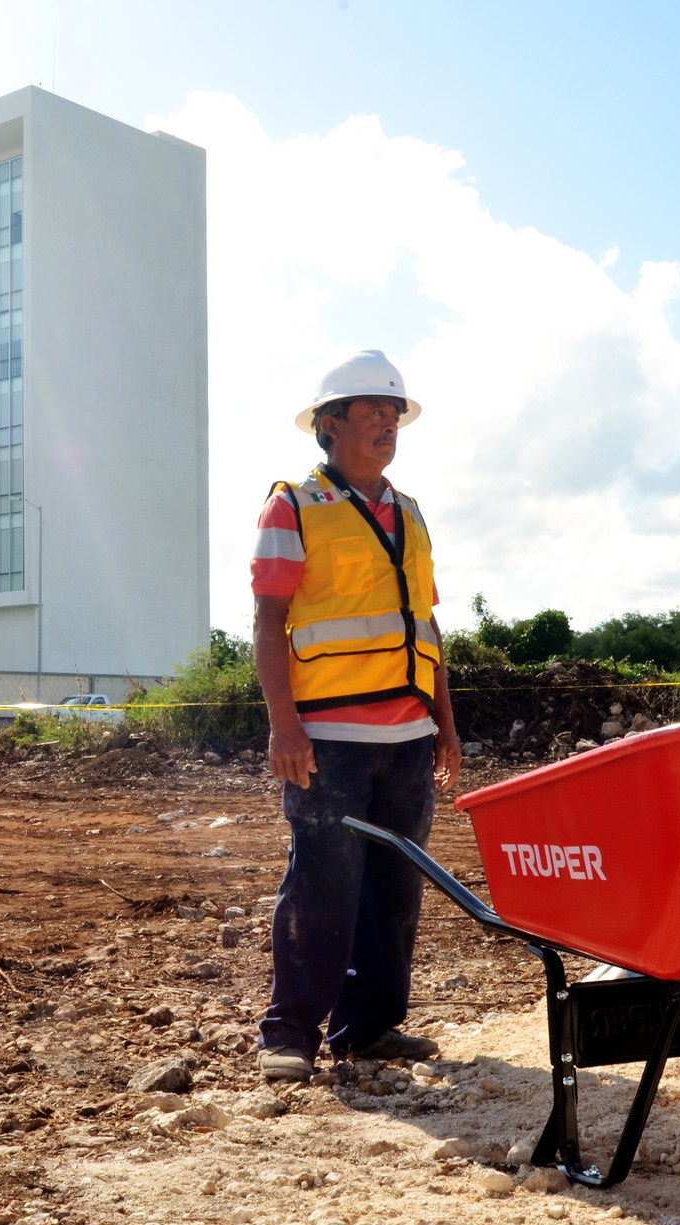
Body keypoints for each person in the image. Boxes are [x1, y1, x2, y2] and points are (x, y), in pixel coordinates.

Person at [249, 350, 461, 1084]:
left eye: (394, 411)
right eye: (371, 409)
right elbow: (269, 620)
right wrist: (284, 726)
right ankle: (290, 1035)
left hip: (408, 740)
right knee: (322, 888)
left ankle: (369, 1030)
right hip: (328, 739)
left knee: (395, 893)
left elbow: (425, 627)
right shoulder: (294, 507)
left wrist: (446, 727)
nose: (387, 422)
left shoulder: (410, 514)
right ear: (330, 424)